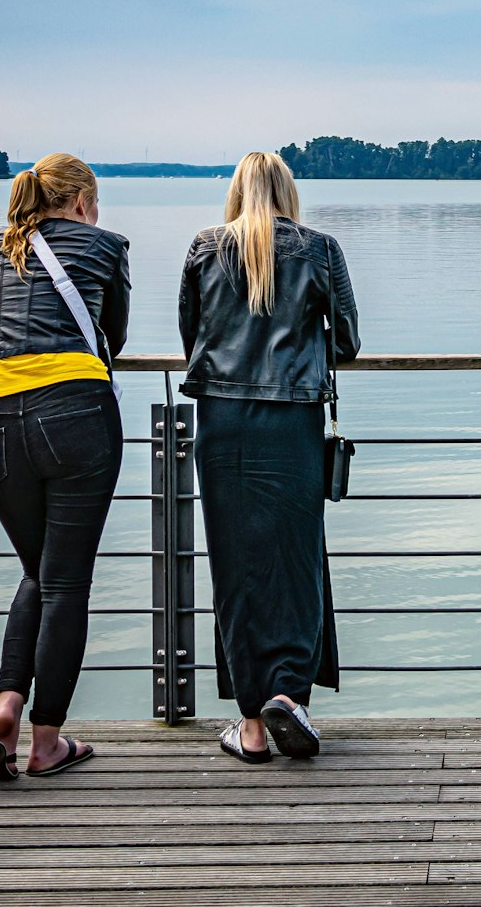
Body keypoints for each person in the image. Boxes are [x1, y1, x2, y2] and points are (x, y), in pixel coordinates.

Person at [179, 151, 358, 762]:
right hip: (292, 422)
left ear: (236, 192)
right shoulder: (320, 249)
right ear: (287, 191)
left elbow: (193, 337)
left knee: (236, 570)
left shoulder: (205, 247)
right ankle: (289, 695)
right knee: (296, 561)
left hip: (222, 423)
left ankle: (251, 727)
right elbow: (348, 341)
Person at [0, 153, 129, 780]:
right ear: (83, 201)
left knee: (36, 571)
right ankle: (46, 743)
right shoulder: (105, 246)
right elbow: (112, 336)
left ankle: (6, 705)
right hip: (76, 416)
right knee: (65, 583)